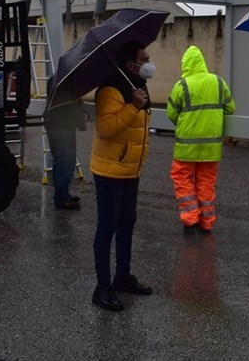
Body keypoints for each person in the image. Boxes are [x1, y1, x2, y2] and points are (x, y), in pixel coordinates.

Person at [88, 40, 156, 311]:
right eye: (145, 58)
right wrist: (132, 107)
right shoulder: (111, 88)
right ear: (131, 64)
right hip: (110, 170)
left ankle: (123, 276)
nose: (150, 63)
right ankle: (102, 286)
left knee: (128, 222)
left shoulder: (136, 84)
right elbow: (106, 129)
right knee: (108, 226)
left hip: (130, 169)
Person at [166, 45, 235, 233]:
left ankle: (190, 218)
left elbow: (171, 113)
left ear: (186, 65)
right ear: (202, 63)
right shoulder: (218, 82)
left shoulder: (182, 85)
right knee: (206, 182)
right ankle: (207, 221)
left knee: (182, 178)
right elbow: (231, 108)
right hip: (211, 148)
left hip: (185, 147)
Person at [43, 72, 89, 210]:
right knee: (66, 163)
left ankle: (61, 195)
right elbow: (69, 108)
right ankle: (62, 199)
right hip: (63, 127)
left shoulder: (55, 78)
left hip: (54, 125)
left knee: (59, 162)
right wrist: (80, 102)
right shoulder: (67, 82)